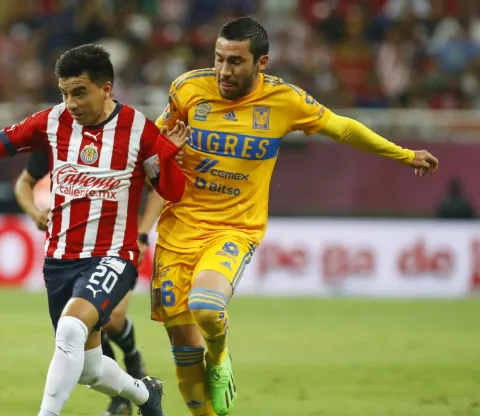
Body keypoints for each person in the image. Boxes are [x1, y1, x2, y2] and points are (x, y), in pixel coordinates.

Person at [149, 17, 440, 416]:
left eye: (235, 62)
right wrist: (164, 150)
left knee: (206, 306)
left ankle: (219, 357)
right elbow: (151, 146)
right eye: (218, 59)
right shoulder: (187, 88)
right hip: (177, 229)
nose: (223, 71)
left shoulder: (284, 101)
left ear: (261, 63)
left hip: (234, 228)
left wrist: (404, 155)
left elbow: (343, 128)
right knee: (183, 358)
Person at [0, 44, 189, 416]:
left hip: (114, 255)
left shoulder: (138, 130)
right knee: (88, 369)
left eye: (80, 92)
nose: (71, 103)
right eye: (65, 93)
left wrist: (165, 155)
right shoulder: (51, 123)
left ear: (106, 89)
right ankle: (146, 395)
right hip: (60, 260)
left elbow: (173, 192)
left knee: (69, 331)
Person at [14, 151, 164, 415]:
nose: (72, 107)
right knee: (87, 363)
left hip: (117, 247)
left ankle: (133, 360)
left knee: (110, 320)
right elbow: (23, 182)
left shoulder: (133, 135)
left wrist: (142, 232)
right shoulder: (53, 136)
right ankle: (136, 393)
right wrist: (34, 212)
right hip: (69, 256)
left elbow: (162, 187)